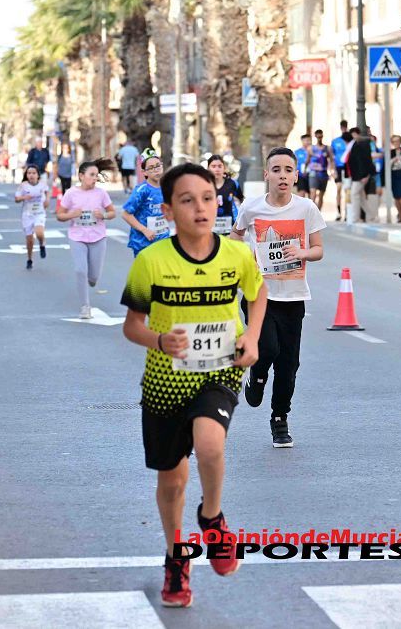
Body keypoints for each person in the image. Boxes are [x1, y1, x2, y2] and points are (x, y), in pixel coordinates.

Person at [121, 162, 267, 608]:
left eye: (207, 198)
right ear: (168, 210)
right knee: (173, 481)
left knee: (210, 445)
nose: (200, 208)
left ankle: (213, 518)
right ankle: (176, 559)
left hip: (220, 370)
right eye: (187, 200)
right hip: (166, 384)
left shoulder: (237, 255)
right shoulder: (151, 262)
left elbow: (256, 293)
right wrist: (160, 340)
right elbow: (132, 326)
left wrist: (252, 337)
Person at [231, 147, 325, 448]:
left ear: (296, 175)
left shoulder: (307, 208)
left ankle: (279, 419)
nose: (282, 175)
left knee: (289, 363)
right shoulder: (252, 207)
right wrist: (246, 259)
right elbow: (235, 238)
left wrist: (302, 252)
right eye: (276, 170)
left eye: (288, 170)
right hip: (259, 293)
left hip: (293, 296)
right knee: (267, 349)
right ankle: (256, 376)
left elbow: (318, 250)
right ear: (266, 175)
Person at [57, 159, 117, 318]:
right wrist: (72, 214)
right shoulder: (71, 193)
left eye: (97, 175)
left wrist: (103, 215)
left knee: (94, 276)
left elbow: (113, 212)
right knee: (80, 270)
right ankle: (85, 306)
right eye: (92, 175)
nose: (95, 178)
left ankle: (92, 279)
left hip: (98, 237)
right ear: (81, 176)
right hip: (77, 237)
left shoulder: (101, 193)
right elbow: (60, 215)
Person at [122, 150, 170, 256]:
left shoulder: (166, 188)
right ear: (144, 172)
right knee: (147, 272)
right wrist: (145, 230)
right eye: (151, 168)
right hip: (143, 243)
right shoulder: (142, 190)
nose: (156, 170)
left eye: (158, 166)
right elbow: (125, 214)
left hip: (163, 241)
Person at [15, 165, 49, 270]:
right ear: (26, 175)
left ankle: (42, 243)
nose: (31, 175)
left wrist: (47, 200)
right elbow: (16, 199)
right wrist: (24, 197)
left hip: (39, 213)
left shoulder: (42, 185)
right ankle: (30, 259)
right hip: (27, 215)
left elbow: (48, 192)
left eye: (34, 173)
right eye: (29, 173)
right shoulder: (23, 186)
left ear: (38, 175)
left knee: (39, 232)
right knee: (29, 240)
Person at [346, 128, 376, 224]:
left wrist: (366, 175)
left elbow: (367, 161)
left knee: (354, 194)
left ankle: (355, 218)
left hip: (361, 176)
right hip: (356, 175)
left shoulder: (363, 145)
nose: (354, 136)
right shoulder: (355, 144)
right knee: (361, 197)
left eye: (355, 134)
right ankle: (371, 216)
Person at [208, 154, 242, 236]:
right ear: (208, 168)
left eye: (220, 166)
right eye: (213, 166)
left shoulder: (232, 184)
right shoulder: (204, 184)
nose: (217, 169)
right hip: (209, 229)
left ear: (224, 168)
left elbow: (242, 200)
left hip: (230, 229)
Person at [330, 120, 351, 221]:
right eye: (342, 126)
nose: (344, 127)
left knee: (347, 190)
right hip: (338, 167)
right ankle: (339, 212)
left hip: (348, 167)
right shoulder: (335, 141)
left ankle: (347, 213)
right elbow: (331, 157)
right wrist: (332, 170)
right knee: (338, 189)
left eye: (345, 126)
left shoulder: (350, 140)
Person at [308, 129, 331, 211]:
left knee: (321, 195)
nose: (319, 138)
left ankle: (318, 213)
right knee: (313, 193)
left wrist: (332, 171)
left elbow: (331, 161)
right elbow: (307, 160)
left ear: (322, 136)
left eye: (320, 136)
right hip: (313, 173)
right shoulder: (311, 148)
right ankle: (311, 213)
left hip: (323, 174)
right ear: (315, 136)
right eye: (317, 136)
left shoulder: (327, 148)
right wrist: (304, 171)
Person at [294, 134, 311, 199]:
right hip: (301, 176)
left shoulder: (313, 151)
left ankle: (311, 209)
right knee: (301, 194)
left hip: (311, 175)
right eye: (306, 140)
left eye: (309, 140)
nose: (307, 142)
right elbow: (294, 164)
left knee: (311, 196)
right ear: (302, 141)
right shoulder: (297, 152)